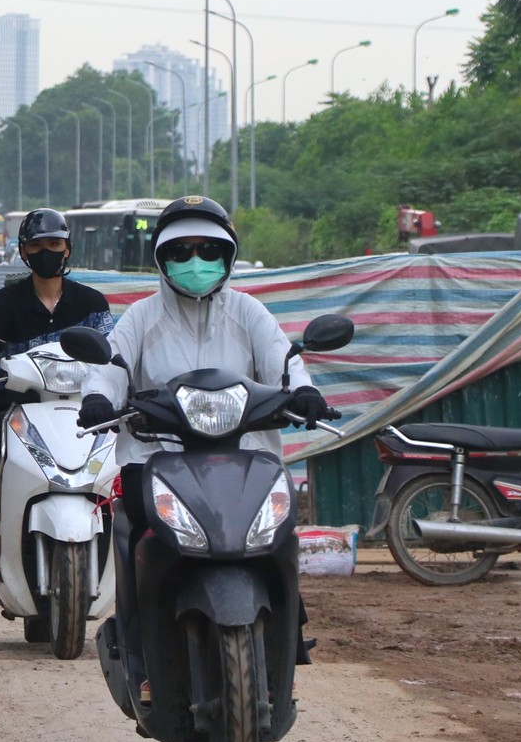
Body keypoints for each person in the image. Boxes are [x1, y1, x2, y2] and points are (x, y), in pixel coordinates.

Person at [76, 196, 330, 665]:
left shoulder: (249, 312)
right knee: (139, 538)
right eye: (182, 252)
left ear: (228, 258)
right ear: (161, 259)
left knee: (281, 533)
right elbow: (113, 365)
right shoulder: (141, 316)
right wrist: (98, 397)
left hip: (248, 456)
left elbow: (284, 359)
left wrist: (303, 390)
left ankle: (287, 633)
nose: (196, 262)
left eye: (209, 251)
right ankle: (140, 648)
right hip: (155, 457)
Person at [0, 208, 115, 503]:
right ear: (24, 251)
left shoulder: (91, 302)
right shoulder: (4, 302)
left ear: (67, 249)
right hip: (22, 409)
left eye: (53, 244)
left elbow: (110, 353)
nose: (45, 252)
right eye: (36, 246)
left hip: (83, 409)